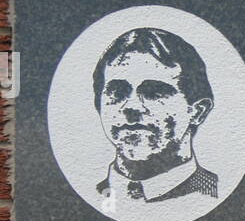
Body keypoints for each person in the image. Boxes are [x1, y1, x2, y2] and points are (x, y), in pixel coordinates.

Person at [92, 27, 219, 206]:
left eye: (154, 92)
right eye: (117, 92)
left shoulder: (213, 194)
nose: (131, 107)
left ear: (198, 111)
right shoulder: (89, 195)